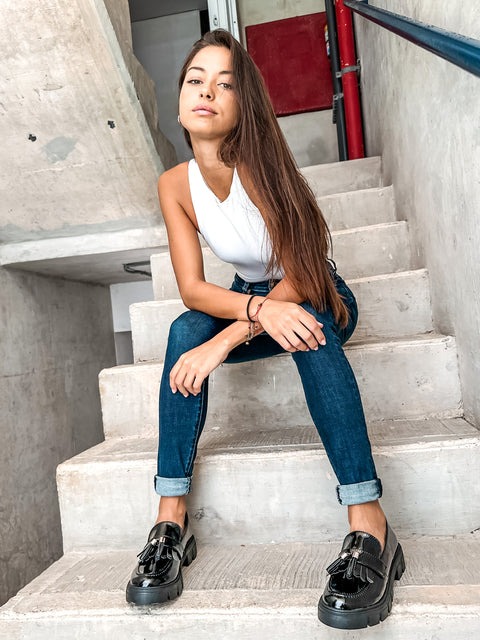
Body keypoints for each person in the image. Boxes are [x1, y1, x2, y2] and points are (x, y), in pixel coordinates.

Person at [126, 29, 405, 629]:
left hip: (316, 290)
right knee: (184, 330)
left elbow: (305, 269)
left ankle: (370, 525)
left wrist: (231, 335)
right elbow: (194, 289)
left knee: (308, 328)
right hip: (255, 300)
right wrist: (252, 313)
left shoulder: (259, 164)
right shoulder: (174, 185)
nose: (206, 92)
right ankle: (170, 522)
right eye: (196, 79)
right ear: (181, 96)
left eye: (224, 84)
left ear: (242, 103)